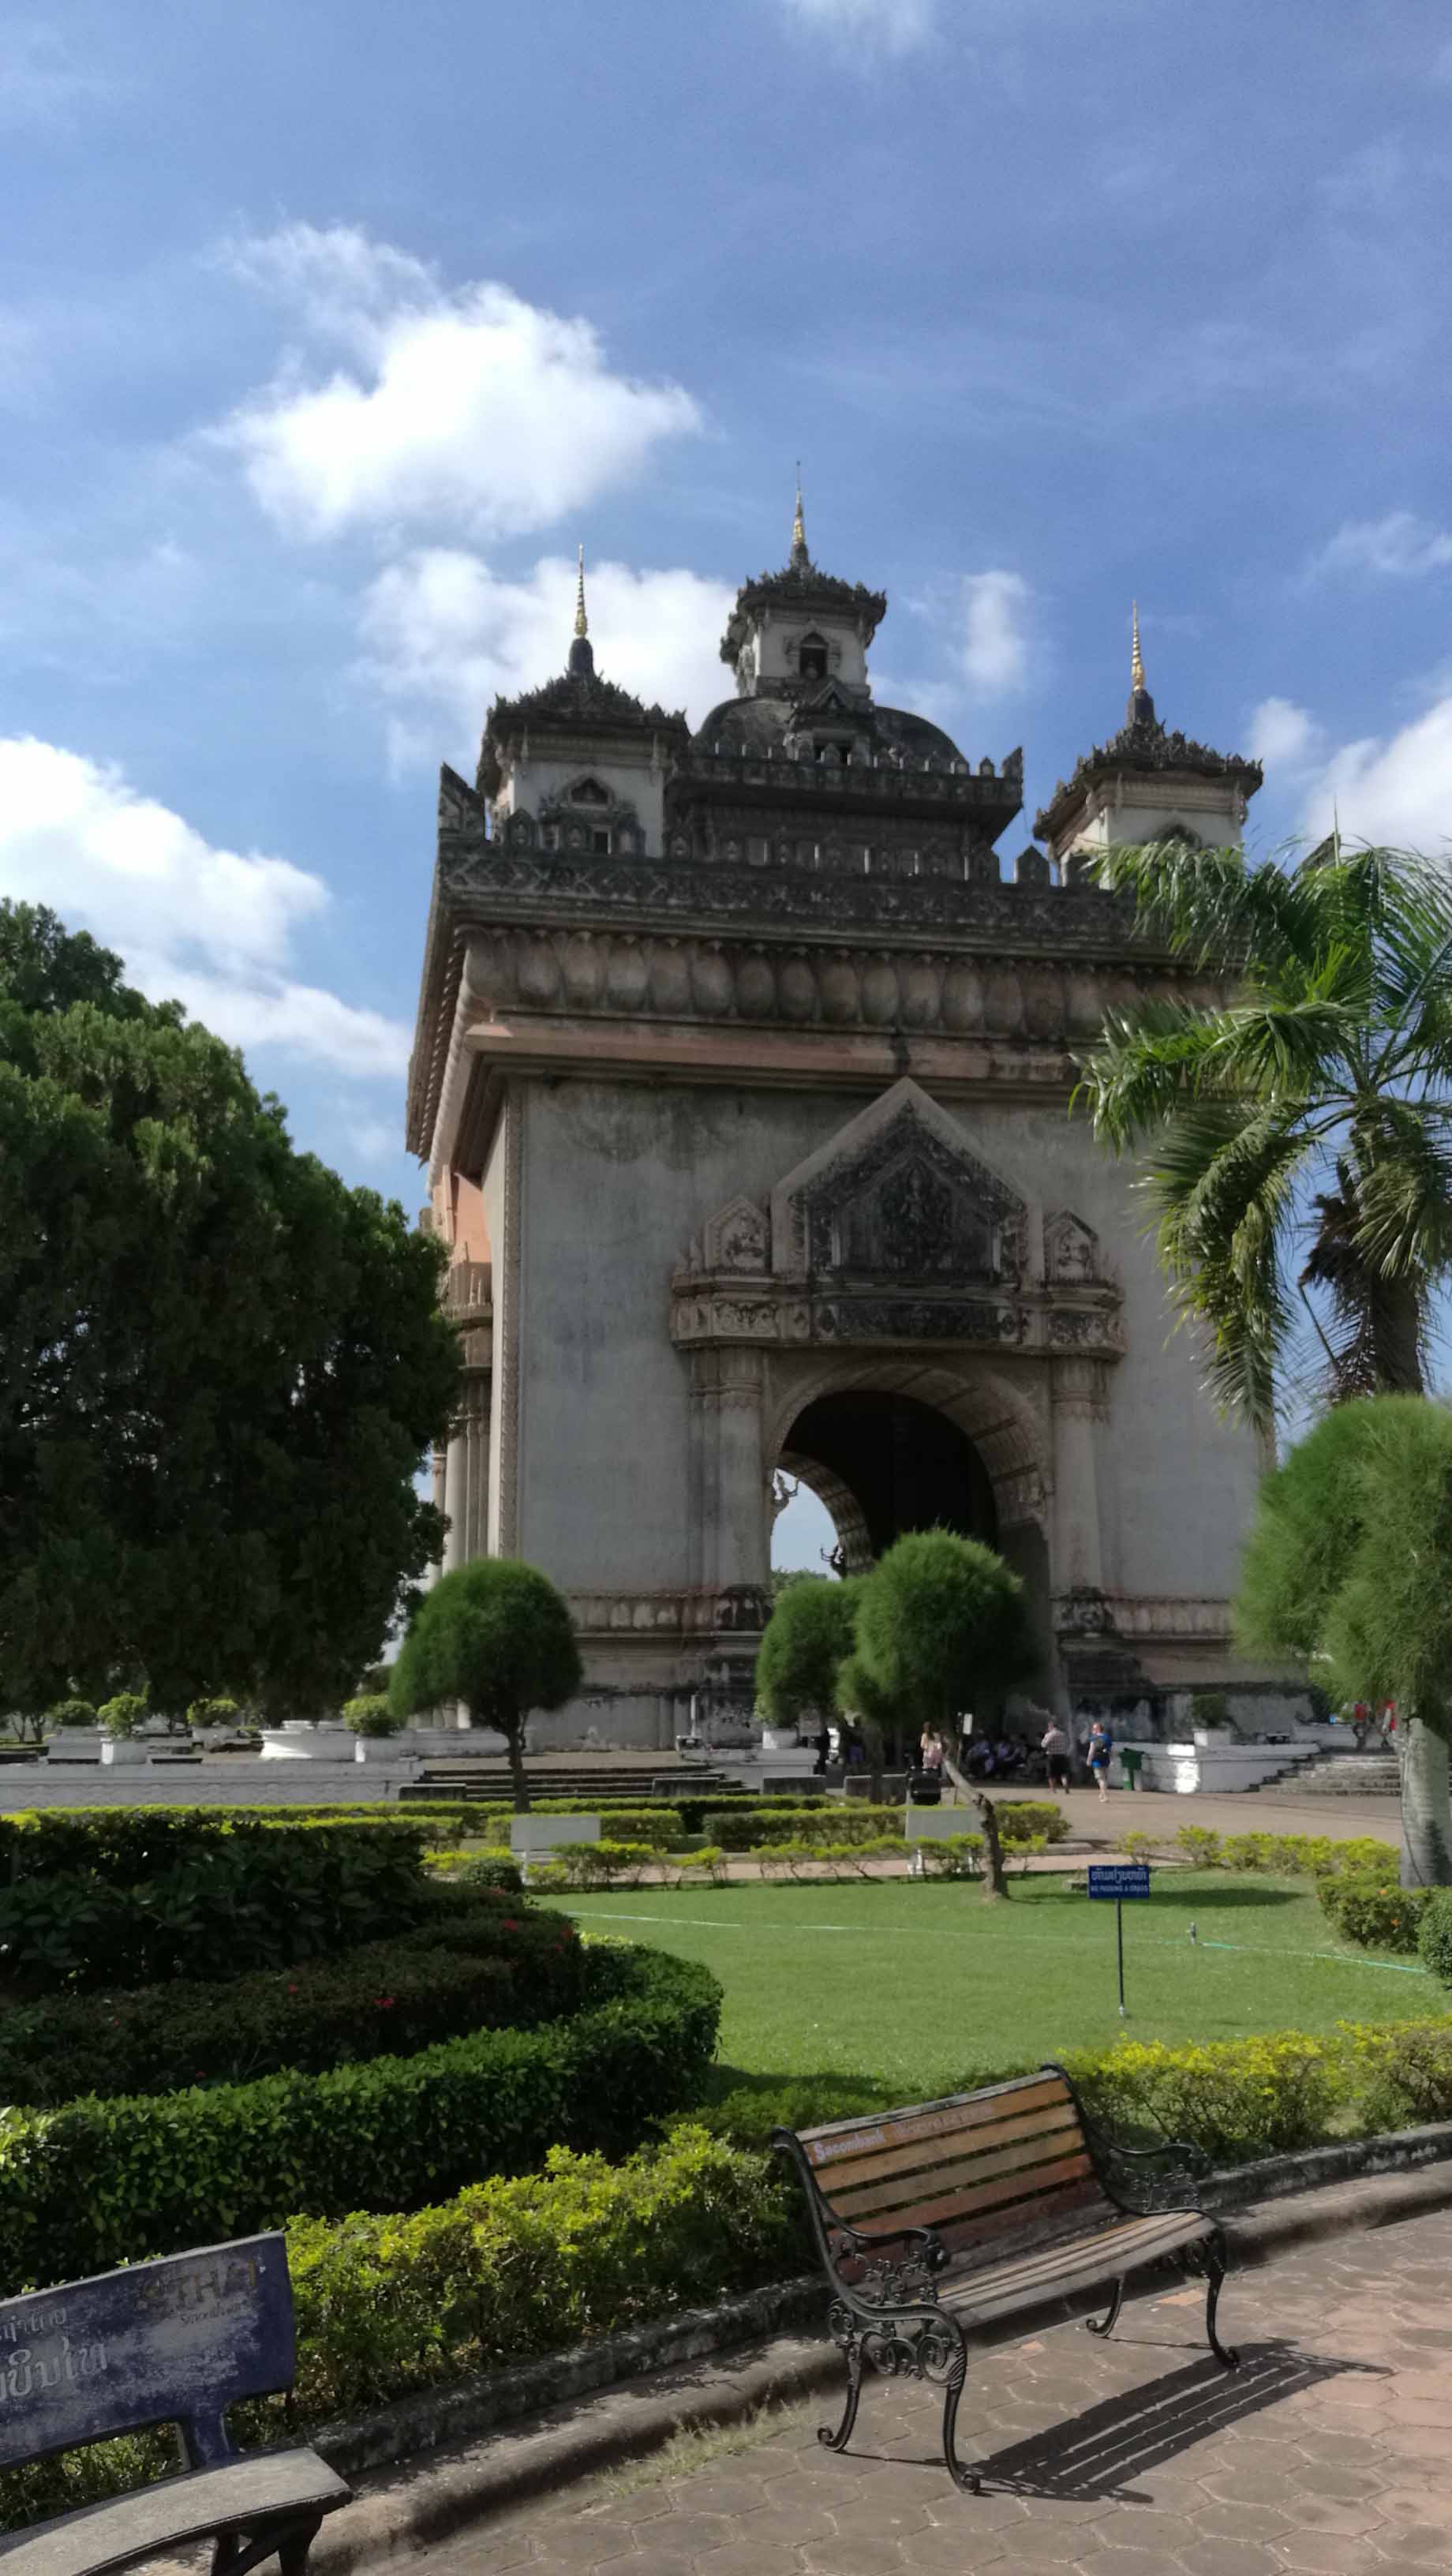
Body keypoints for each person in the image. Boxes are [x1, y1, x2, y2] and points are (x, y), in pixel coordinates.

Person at [1040, 1715, 1071, 1792]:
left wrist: (1044, 1740)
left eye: (1048, 1727)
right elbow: (1067, 1744)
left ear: (1051, 1727)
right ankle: (1065, 1785)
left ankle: (1053, 1789)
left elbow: (1043, 1745)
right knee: (1063, 1772)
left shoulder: (1049, 1735)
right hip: (1062, 1755)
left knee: (1051, 1773)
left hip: (1052, 1755)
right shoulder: (1063, 1734)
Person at [1087, 1717, 1114, 1804]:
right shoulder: (1107, 1738)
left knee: (1101, 1779)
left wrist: (1089, 1760)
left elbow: (1091, 1751)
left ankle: (1105, 1797)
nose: (1092, 1730)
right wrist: (1112, 1761)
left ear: (1098, 1729)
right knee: (1104, 1779)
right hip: (1106, 1760)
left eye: (1093, 1729)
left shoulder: (1093, 1738)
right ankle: (1102, 1794)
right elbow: (1111, 1751)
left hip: (1096, 1762)